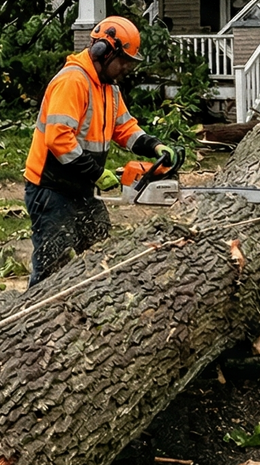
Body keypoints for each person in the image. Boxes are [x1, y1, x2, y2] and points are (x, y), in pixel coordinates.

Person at [23, 15, 184, 287]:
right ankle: (26, 323)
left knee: (100, 255)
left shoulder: (109, 89)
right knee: (51, 270)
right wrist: (97, 173)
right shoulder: (73, 81)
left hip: (81, 188)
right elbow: (59, 138)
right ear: (104, 52)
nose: (126, 68)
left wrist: (155, 145)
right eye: (123, 61)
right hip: (51, 188)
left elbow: (125, 128)